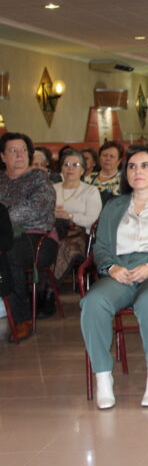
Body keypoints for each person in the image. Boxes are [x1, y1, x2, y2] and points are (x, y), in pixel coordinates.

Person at [79, 146, 148, 409]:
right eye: (131, 166)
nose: (137, 171)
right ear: (125, 172)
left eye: (144, 166)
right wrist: (110, 268)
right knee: (93, 302)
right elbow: (102, 247)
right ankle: (103, 379)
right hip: (121, 271)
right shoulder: (114, 206)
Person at [0, 133, 56, 340]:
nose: (19, 154)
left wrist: (3, 218)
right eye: (13, 150)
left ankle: (20, 319)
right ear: (3, 156)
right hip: (5, 236)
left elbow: (34, 209)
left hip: (37, 238)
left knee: (8, 253)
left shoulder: (39, 180)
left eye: (23, 150)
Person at [52, 149, 102, 289]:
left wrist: (69, 216)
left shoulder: (90, 191)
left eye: (75, 165)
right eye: (66, 164)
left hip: (81, 236)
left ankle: (50, 287)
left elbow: (93, 220)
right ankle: (45, 286)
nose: (70, 168)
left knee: (64, 246)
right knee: (50, 244)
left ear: (83, 170)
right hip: (54, 232)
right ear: (61, 168)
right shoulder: (52, 189)